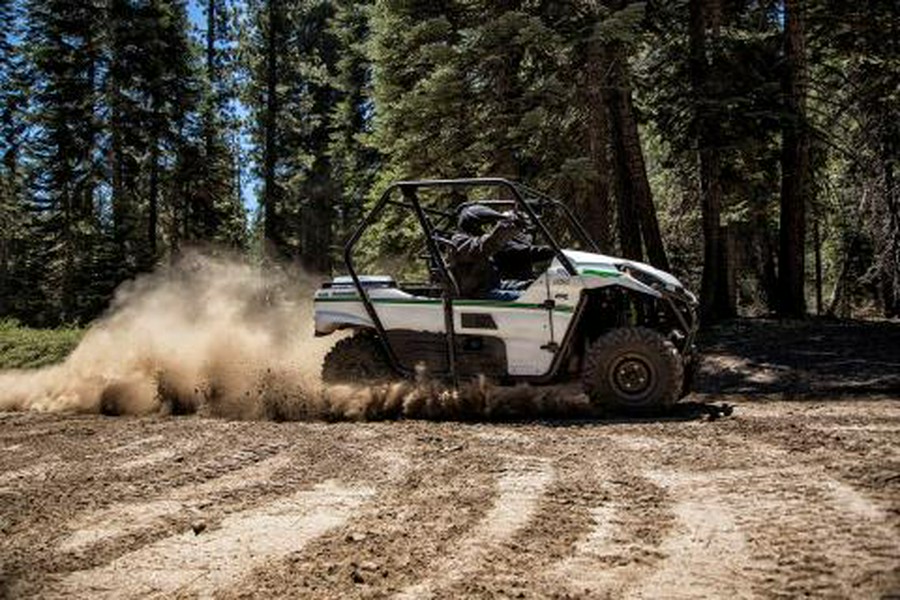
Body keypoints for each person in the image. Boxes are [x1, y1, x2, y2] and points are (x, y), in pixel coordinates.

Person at [448, 204, 554, 300]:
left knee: (540, 288)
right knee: (536, 298)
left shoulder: (475, 239)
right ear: (474, 224)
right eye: (485, 226)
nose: (488, 230)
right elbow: (483, 247)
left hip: (491, 287)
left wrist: (530, 284)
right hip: (479, 293)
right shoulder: (459, 241)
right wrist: (504, 227)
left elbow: (494, 282)